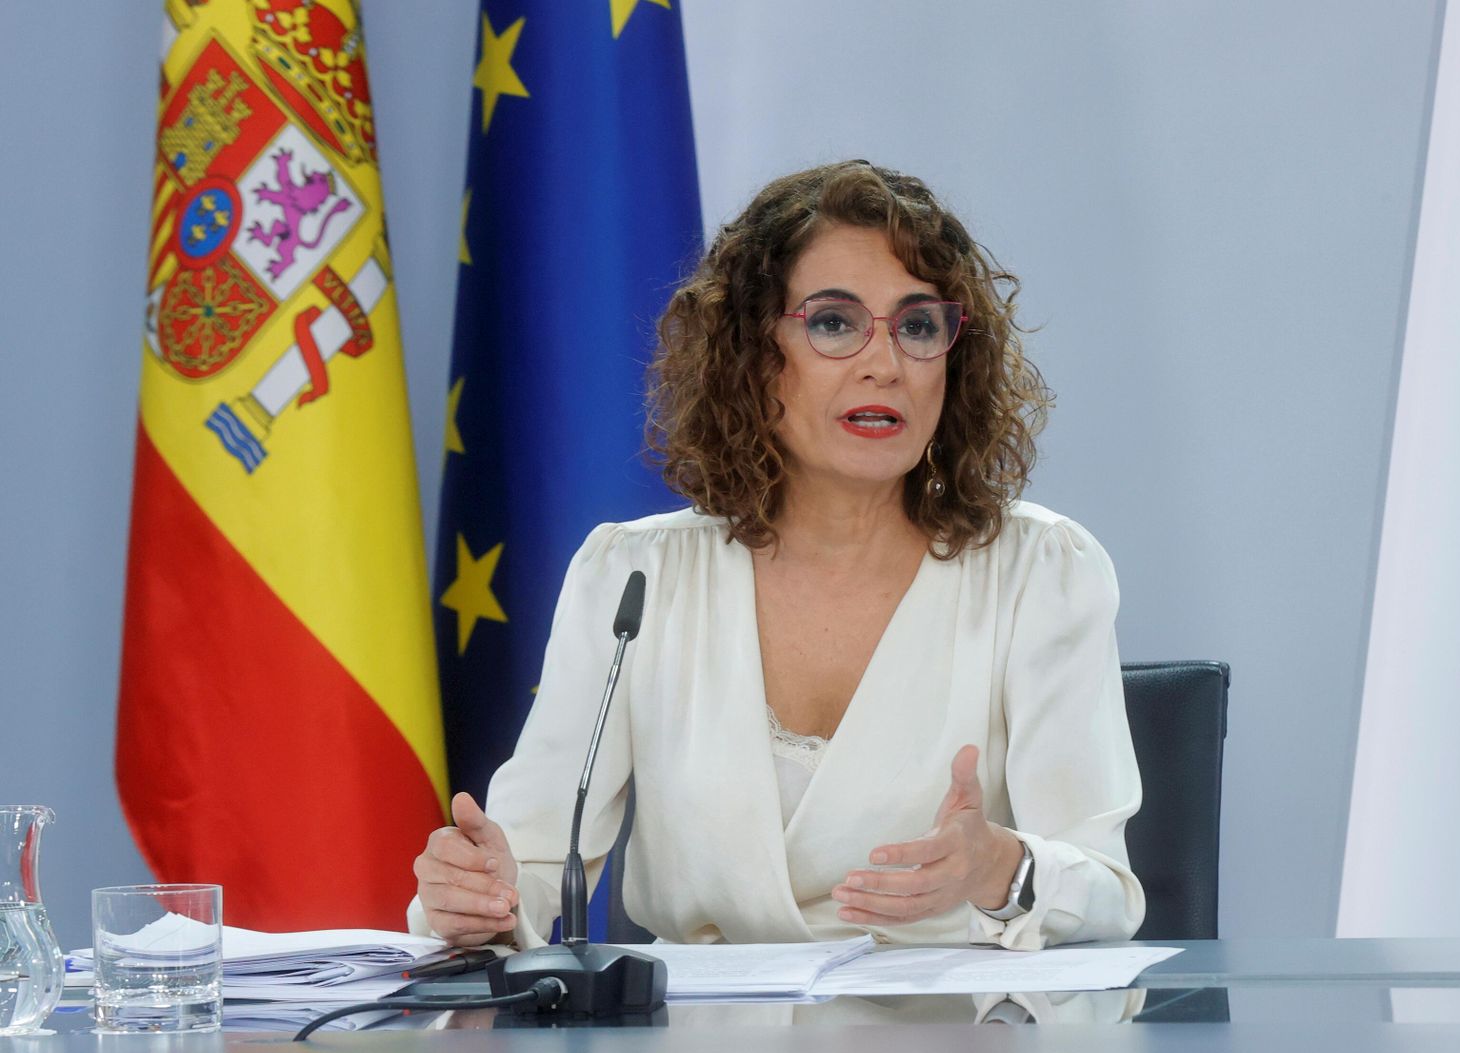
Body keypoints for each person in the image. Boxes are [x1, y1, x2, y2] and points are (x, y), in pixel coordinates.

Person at [409, 161, 1144, 951]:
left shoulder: (1040, 571)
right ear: (754, 356)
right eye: (834, 322)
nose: (884, 364)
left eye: (919, 325)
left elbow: (1107, 896)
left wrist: (1002, 867)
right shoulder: (635, 578)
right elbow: (528, 866)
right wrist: (475, 897)